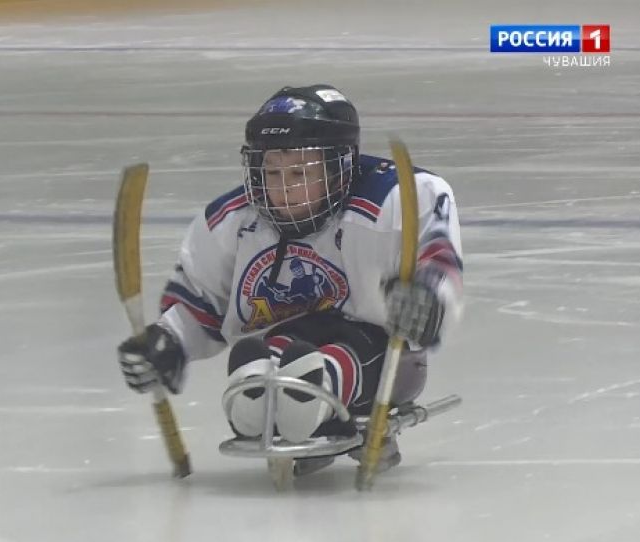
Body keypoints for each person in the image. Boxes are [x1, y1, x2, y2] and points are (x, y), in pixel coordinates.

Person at [118, 84, 463, 475]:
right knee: (261, 357)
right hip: (288, 338)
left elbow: (439, 264)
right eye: (272, 172)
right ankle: (272, 400)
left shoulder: (396, 199)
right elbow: (201, 304)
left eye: (300, 173)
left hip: (386, 357)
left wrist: (427, 298)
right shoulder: (230, 222)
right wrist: (169, 341)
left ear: (339, 168)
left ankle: (316, 392)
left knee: (332, 356)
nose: (284, 190)